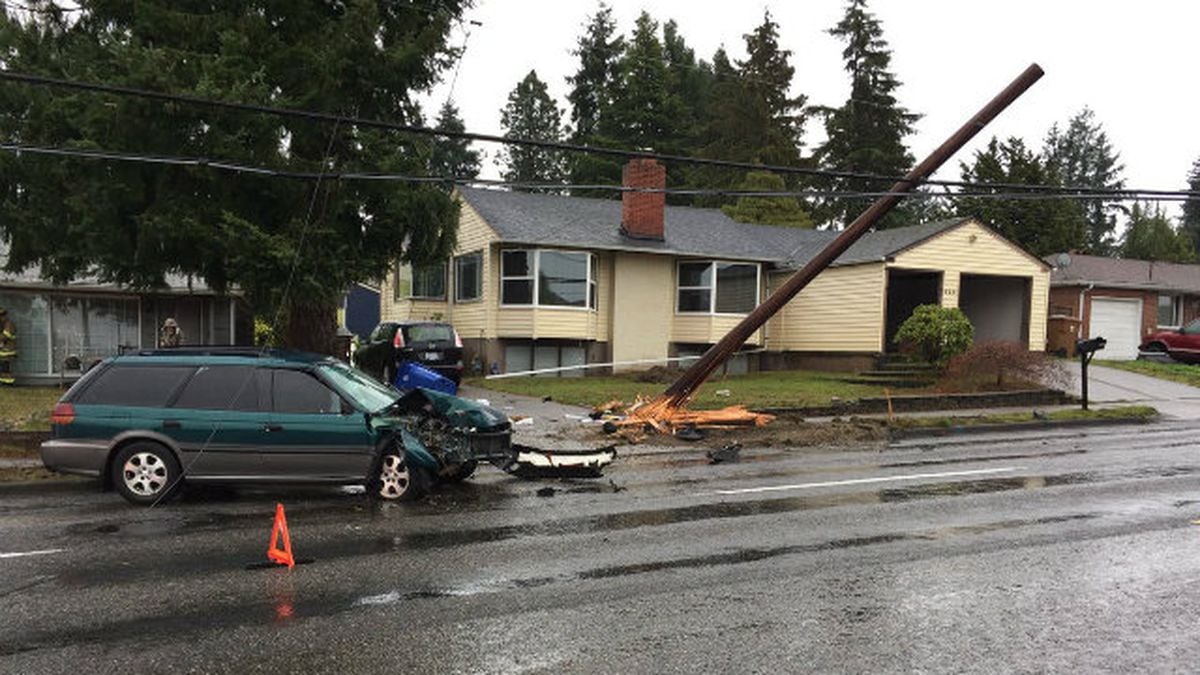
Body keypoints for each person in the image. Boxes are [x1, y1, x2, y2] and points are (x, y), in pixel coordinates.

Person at [0, 307, 15, 385]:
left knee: (5, 368)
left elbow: (6, 335)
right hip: (3, 351)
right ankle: (3, 382)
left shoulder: (9, 324)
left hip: (8, 350)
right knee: (2, 368)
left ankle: (8, 383)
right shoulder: (2, 324)